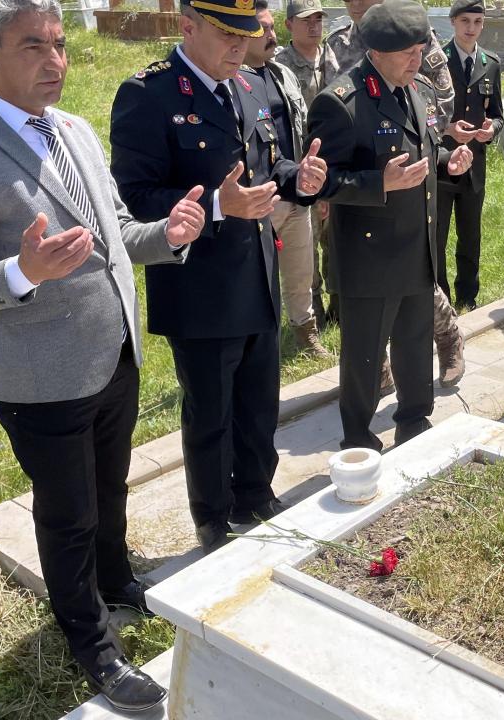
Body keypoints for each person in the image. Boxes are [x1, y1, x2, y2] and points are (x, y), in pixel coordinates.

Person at [0, 0, 207, 710]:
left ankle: (115, 580)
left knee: (110, 489)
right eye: (33, 47)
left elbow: (117, 239)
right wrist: (23, 271)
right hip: (43, 380)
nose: (55, 61)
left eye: (59, 44)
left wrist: (168, 234)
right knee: (68, 513)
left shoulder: (73, 128)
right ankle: (90, 640)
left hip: (114, 354)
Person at [109, 0, 327, 554]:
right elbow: (132, 198)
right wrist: (215, 207)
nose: (239, 46)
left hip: (257, 274)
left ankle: (256, 494)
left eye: (244, 35)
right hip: (199, 288)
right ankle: (212, 518)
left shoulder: (249, 87)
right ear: (188, 27)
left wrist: (299, 178)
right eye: (227, 34)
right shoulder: (149, 95)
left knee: (259, 401)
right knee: (211, 413)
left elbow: (268, 167)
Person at [307, 0, 473, 451]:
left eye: (420, 51)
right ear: (377, 52)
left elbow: (421, 151)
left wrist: (448, 161)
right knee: (364, 354)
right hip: (369, 256)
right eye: (408, 54)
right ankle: (358, 437)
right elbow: (321, 182)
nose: (418, 61)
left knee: (415, 342)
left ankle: (414, 420)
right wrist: (378, 183)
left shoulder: (414, 89)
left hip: (415, 245)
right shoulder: (340, 103)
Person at [244, 0, 328, 357]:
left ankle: (307, 337)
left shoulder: (282, 74)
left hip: (295, 189)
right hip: (259, 198)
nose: (272, 34)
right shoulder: (232, 82)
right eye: (262, 28)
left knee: (301, 272)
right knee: (257, 278)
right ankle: (260, 345)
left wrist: (312, 184)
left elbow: (303, 130)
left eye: (271, 26)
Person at [435, 0, 504, 312]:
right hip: (442, 161)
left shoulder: (491, 63)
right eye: (465, 21)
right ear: (453, 21)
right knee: (438, 234)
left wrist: (492, 129)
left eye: (477, 22)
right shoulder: (436, 61)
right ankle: (440, 296)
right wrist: (448, 129)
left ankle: (468, 294)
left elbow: (498, 114)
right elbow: (424, 114)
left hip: (474, 164)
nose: (471, 28)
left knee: (470, 233)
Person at [274, 0, 334, 326]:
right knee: (306, 250)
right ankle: (313, 316)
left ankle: (340, 308)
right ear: (289, 25)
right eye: (306, 20)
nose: (314, 26)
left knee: (337, 245)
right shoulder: (279, 67)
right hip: (303, 173)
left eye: (318, 19)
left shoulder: (334, 57)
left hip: (338, 170)